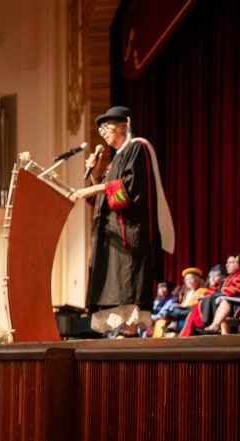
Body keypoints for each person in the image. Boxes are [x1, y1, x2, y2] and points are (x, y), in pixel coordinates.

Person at [73, 106, 175, 330]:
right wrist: (95, 174)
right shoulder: (115, 161)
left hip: (128, 235)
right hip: (111, 238)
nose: (103, 131)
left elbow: (129, 191)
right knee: (111, 284)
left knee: (127, 285)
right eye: (101, 128)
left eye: (107, 126)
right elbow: (104, 200)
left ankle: (128, 333)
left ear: (123, 125)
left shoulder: (137, 148)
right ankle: (120, 333)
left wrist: (93, 189)